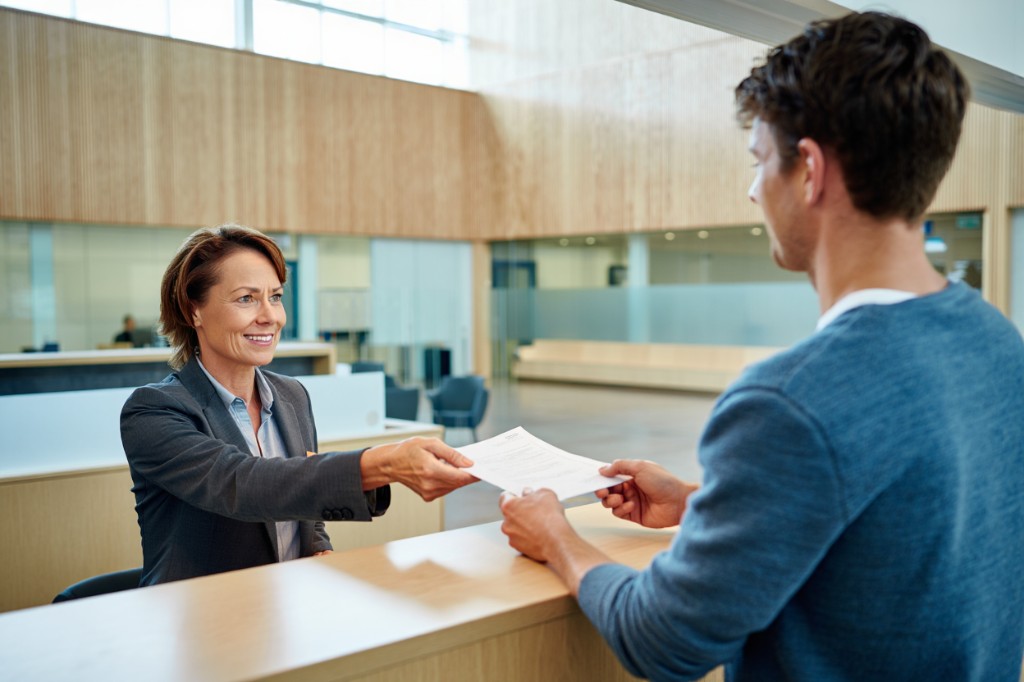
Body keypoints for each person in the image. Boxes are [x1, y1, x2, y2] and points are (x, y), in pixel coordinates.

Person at [499, 11, 1024, 681]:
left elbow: (664, 640)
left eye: (758, 162)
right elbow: (899, 537)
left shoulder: (790, 403)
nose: (752, 191)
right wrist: (702, 506)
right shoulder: (995, 340)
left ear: (809, 171)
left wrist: (557, 538)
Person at [121, 224, 477, 586]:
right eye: (246, 298)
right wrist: (385, 462)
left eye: (275, 297)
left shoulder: (291, 396)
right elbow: (243, 485)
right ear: (192, 309)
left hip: (289, 608)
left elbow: (303, 503)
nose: (270, 316)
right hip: (203, 620)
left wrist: (317, 548)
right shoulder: (153, 411)